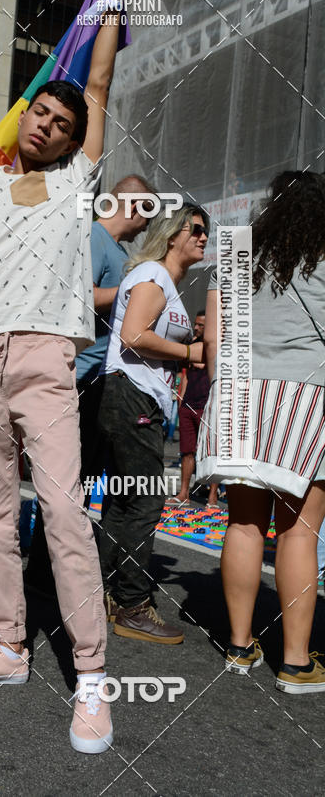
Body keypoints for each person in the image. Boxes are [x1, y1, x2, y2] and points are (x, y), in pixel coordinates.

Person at [0, 0, 130, 755]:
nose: (48, 122)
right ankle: (10, 646)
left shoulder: (74, 181)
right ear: (22, 121)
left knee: (60, 511)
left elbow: (99, 89)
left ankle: (91, 676)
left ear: (73, 136)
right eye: (38, 114)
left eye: (60, 117)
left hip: (47, 356)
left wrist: (112, 7)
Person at [197, 171, 325, 692]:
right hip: (306, 393)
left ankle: (240, 645)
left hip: (237, 393)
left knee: (244, 522)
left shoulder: (236, 254)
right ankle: (295, 663)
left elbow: (212, 341)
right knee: (299, 529)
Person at [24, 176, 153, 595]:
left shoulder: (114, 248)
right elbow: (78, 295)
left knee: (76, 485)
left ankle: (52, 573)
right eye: (147, 213)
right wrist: (130, 294)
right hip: (76, 378)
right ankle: (41, 577)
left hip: (94, 381)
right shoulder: (95, 237)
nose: (148, 226)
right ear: (132, 207)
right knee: (64, 484)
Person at [98, 203, 209, 644]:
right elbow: (134, 336)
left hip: (133, 395)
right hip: (131, 394)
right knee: (143, 504)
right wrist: (188, 353)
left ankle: (104, 593)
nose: (203, 237)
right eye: (196, 229)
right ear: (173, 235)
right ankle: (132, 605)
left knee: (124, 503)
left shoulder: (165, 281)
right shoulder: (153, 276)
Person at [168, 310, 219, 508]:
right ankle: (184, 493)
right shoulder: (190, 345)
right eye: (195, 324)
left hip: (208, 405)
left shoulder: (217, 346)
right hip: (188, 405)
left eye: (200, 325)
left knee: (212, 451)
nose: (196, 328)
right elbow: (186, 374)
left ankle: (212, 497)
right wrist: (181, 401)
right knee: (186, 451)